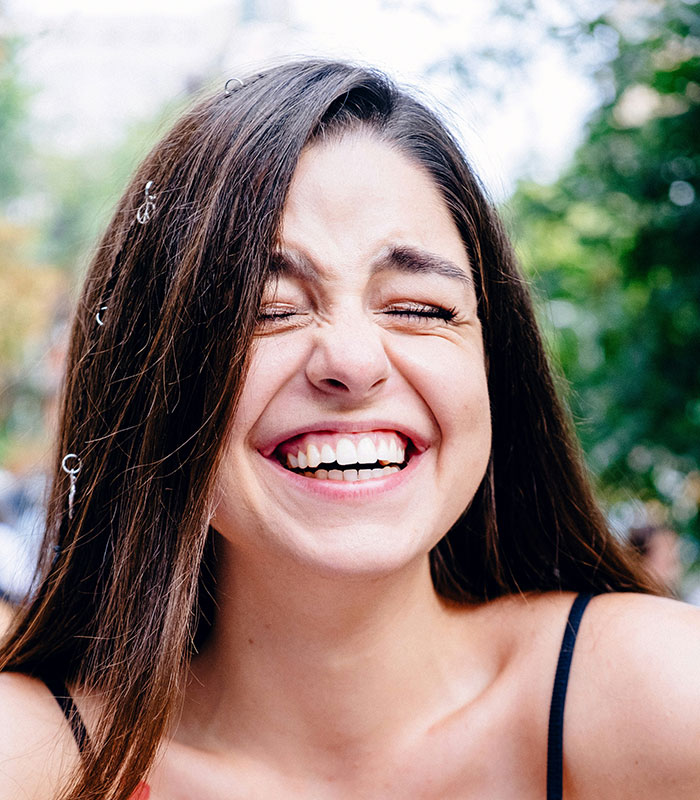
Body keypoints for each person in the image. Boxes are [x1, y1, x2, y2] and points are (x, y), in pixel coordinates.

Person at [1, 58, 699, 800]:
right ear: (155, 384)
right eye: (268, 310)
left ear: (496, 368)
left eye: (421, 309)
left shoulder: (657, 696)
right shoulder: (36, 760)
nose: (353, 362)